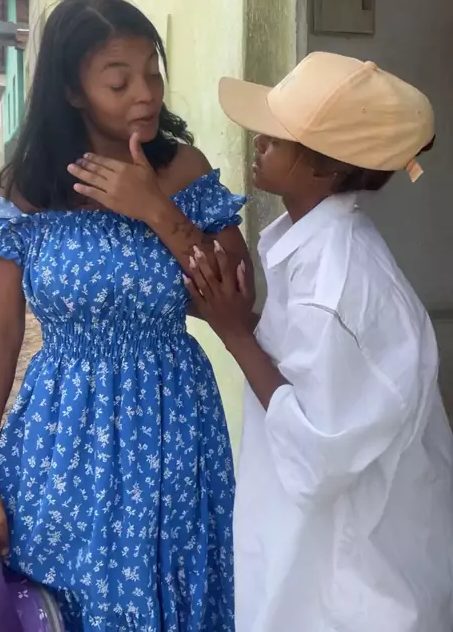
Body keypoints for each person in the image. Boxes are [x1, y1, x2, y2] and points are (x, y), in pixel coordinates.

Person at [0, 0, 253, 632]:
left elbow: (239, 302)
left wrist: (154, 207)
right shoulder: (29, 188)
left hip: (173, 428)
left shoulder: (182, 170)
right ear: (72, 91)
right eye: (119, 82)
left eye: (153, 73)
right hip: (62, 437)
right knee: (65, 603)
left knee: (171, 595)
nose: (146, 94)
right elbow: (1, 334)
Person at [185, 52, 453, 632]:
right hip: (334, 566)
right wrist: (233, 316)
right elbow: (305, 360)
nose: (259, 143)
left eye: (278, 138)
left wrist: (235, 333)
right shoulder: (320, 253)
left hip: (357, 591)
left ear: (326, 170)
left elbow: (315, 451)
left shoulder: (337, 285)